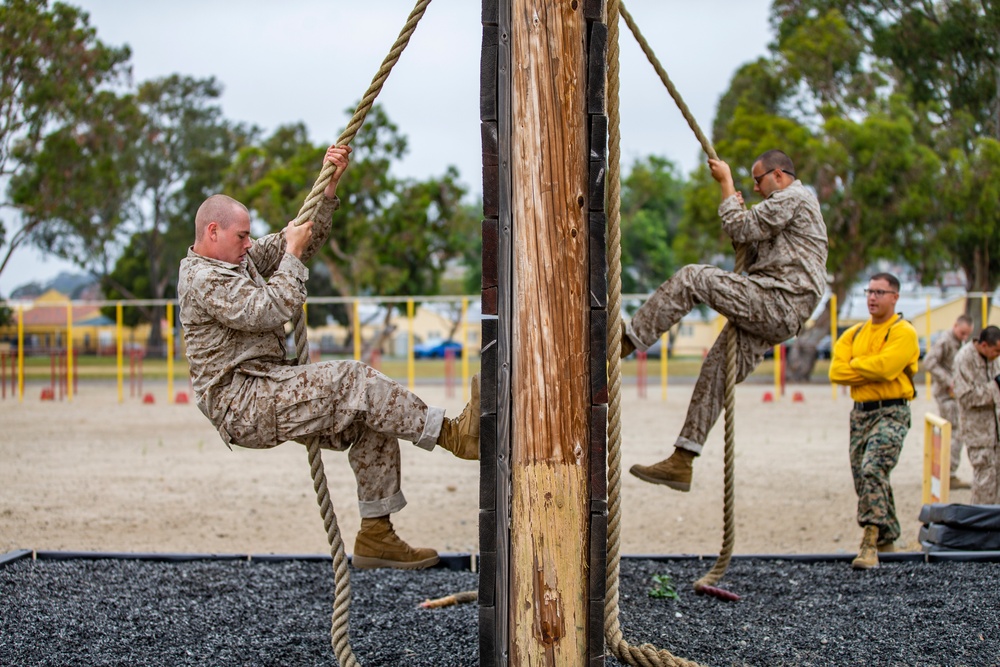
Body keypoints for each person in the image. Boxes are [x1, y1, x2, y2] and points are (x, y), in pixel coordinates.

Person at [178, 144, 480, 571]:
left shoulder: (236, 262)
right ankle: (454, 436)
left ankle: (377, 536)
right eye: (240, 236)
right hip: (244, 402)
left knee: (374, 414)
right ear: (212, 232)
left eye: (248, 236)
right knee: (352, 380)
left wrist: (329, 186)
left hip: (268, 384)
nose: (248, 244)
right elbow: (268, 308)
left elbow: (299, 237)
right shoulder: (203, 277)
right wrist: (293, 256)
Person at [624, 149, 828, 492]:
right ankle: (682, 460)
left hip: (778, 300)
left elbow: (740, 225)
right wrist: (730, 197)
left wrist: (726, 182)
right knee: (717, 370)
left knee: (692, 278)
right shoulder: (788, 208)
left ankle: (628, 340)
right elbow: (745, 244)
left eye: (759, 180)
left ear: (778, 175)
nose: (757, 188)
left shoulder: (794, 197)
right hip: (775, 306)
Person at [829, 272, 919, 570]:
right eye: (869, 291)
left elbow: (887, 368)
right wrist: (869, 368)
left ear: (895, 297)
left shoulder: (903, 332)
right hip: (861, 413)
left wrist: (857, 366)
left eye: (880, 292)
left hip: (892, 411)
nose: (872, 297)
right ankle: (888, 537)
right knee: (865, 478)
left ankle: (869, 542)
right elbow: (836, 373)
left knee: (872, 469)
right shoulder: (853, 334)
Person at [923, 314, 974, 489]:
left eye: (967, 334)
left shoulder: (960, 343)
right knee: (955, 432)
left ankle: (942, 472)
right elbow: (929, 362)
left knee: (951, 432)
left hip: (954, 394)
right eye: (962, 333)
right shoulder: (945, 340)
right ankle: (949, 474)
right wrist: (949, 381)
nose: (964, 337)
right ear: (955, 326)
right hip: (946, 395)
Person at [952, 325, 1000, 505]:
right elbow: (965, 396)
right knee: (984, 484)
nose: (998, 355)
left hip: (997, 433)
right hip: (978, 434)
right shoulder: (964, 359)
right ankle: (981, 527)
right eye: (996, 351)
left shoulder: (994, 359)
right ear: (984, 345)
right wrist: (994, 389)